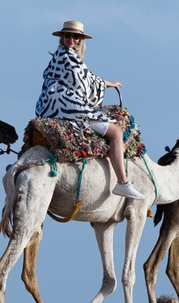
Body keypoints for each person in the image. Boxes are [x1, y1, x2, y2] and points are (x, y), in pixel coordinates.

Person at [36, 20, 143, 200]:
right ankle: (123, 183)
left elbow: (85, 77)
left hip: (51, 106)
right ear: (62, 37)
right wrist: (105, 84)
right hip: (68, 107)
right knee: (116, 132)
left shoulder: (59, 56)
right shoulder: (68, 57)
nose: (71, 39)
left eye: (75, 36)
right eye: (68, 35)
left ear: (79, 40)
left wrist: (106, 82)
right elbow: (84, 85)